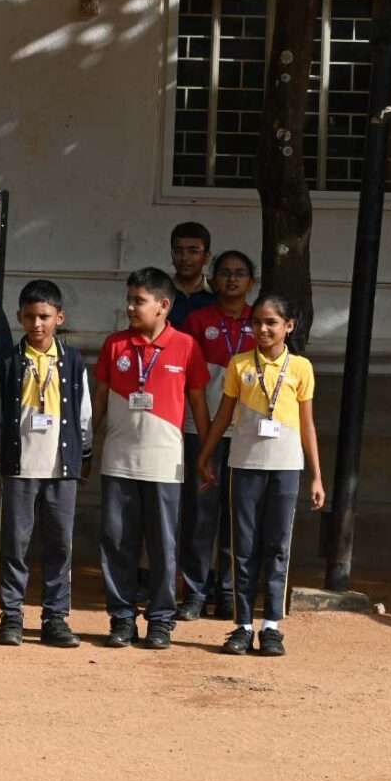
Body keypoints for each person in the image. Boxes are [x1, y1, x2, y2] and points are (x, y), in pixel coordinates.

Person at [198, 294, 325, 657]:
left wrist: (316, 476)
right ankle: (242, 625)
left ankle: (271, 625)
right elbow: (224, 415)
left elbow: (307, 424)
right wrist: (206, 455)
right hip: (245, 465)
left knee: (277, 545)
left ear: (289, 326)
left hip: (286, 466)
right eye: (257, 322)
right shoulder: (239, 364)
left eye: (272, 322)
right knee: (243, 545)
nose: (263, 329)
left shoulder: (300, 367)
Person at [92, 267, 210, 650]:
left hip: (165, 461)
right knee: (117, 542)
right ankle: (121, 618)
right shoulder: (115, 345)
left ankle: (160, 619)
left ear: (163, 305)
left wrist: (206, 453)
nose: (130, 307)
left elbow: (198, 404)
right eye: (129, 299)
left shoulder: (187, 346)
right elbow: (99, 400)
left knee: (163, 544)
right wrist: (87, 445)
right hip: (118, 460)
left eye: (138, 301)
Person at [0, 280, 91, 649]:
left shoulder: (72, 361)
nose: (37, 323)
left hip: (61, 469)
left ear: (60, 317)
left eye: (44, 316)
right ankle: (11, 615)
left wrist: (84, 454)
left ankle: (55, 617)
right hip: (21, 468)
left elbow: (84, 413)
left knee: (60, 544)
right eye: (29, 316)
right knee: (15, 544)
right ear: (19, 317)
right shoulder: (9, 362)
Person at [178, 250, 257, 621]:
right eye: (225, 272)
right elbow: (190, 379)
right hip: (202, 428)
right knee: (200, 514)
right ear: (214, 278)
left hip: (246, 433)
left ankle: (229, 592)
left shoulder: (261, 320)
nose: (232, 279)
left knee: (236, 514)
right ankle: (195, 592)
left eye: (240, 273)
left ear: (251, 282)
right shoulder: (198, 320)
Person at [167, 221, 215, 329]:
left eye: (193, 252)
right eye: (178, 251)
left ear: (206, 257)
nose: (184, 258)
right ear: (172, 254)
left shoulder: (217, 295)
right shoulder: (158, 293)